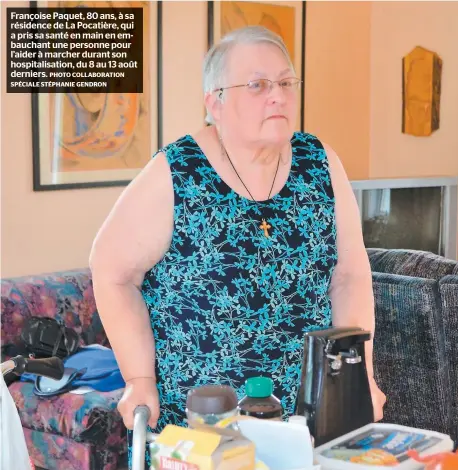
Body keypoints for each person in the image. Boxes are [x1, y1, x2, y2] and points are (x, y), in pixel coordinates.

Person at [89, 25, 386, 467]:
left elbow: (349, 276)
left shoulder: (321, 163)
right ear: (215, 102)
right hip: (203, 426)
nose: (278, 96)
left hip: (307, 419)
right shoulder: (178, 171)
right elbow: (111, 271)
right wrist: (137, 376)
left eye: (286, 83)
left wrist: (361, 374)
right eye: (257, 85)